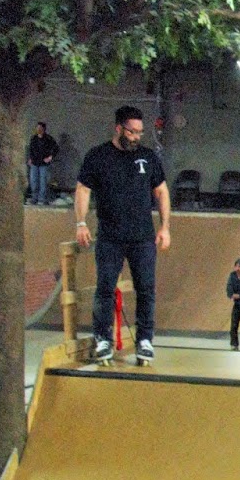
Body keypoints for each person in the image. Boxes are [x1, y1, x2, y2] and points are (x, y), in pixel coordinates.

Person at [74, 105, 170, 366]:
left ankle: (145, 340)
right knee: (105, 288)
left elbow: (161, 191)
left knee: (146, 289)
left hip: (142, 237)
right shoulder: (98, 156)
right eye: (132, 132)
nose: (136, 137)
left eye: (140, 132)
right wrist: (81, 223)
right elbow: (83, 189)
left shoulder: (148, 157)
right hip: (110, 237)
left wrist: (165, 227)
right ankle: (102, 338)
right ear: (118, 128)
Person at [26, 121, 59, 206]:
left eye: (40, 128)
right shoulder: (34, 138)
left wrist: (50, 157)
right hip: (34, 163)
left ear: (43, 129)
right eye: (37, 128)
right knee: (33, 182)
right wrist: (30, 158)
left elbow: (56, 148)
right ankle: (34, 199)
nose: (38, 129)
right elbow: (31, 149)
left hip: (43, 164)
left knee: (43, 182)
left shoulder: (48, 139)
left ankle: (43, 199)